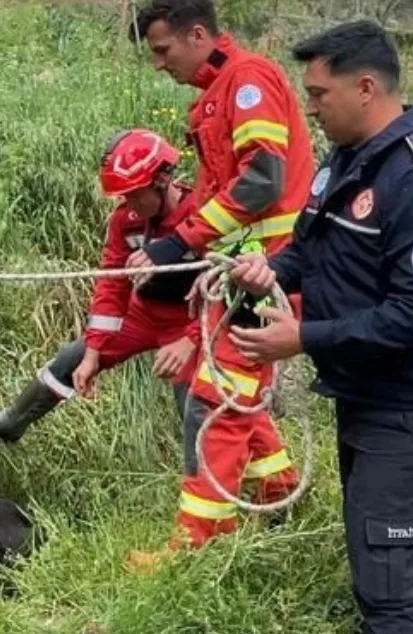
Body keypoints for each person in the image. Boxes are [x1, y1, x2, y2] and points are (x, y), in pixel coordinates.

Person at [228, 21, 413, 634]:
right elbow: (309, 248)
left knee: (386, 584)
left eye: (320, 93)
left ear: (365, 87)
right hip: (363, 399)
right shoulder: (344, 163)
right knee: (393, 570)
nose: (312, 107)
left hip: (410, 410)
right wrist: (270, 270)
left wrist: (303, 336)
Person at [125, 0, 311, 554]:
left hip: (269, 270)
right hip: (242, 272)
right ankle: (281, 495)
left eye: (163, 50)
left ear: (199, 33)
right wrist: (173, 249)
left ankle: (195, 545)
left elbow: (262, 181)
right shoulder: (216, 96)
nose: (159, 64)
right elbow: (222, 196)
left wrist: (179, 242)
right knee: (237, 392)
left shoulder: (247, 81)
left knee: (217, 401)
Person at [0, 129, 204, 468]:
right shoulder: (127, 221)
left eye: (135, 195)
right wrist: (94, 351)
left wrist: (192, 340)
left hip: (192, 323)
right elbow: (112, 285)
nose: (130, 205)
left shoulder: (203, 217)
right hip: (143, 315)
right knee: (71, 359)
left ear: (162, 180)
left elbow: (225, 288)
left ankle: (204, 492)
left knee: (195, 403)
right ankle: (11, 422)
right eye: (124, 197)